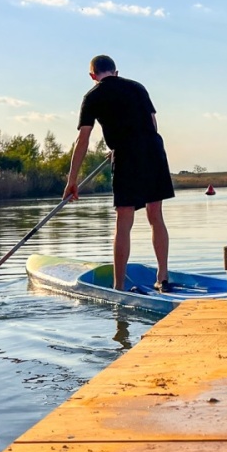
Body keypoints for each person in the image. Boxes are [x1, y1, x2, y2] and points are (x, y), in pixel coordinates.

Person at [64, 55, 175, 291]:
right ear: (115, 72)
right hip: (153, 150)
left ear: (92, 76)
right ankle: (162, 277)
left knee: (124, 220)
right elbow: (152, 123)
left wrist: (72, 180)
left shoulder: (92, 96)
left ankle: (118, 286)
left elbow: (82, 139)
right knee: (155, 214)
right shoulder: (137, 87)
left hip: (126, 155)